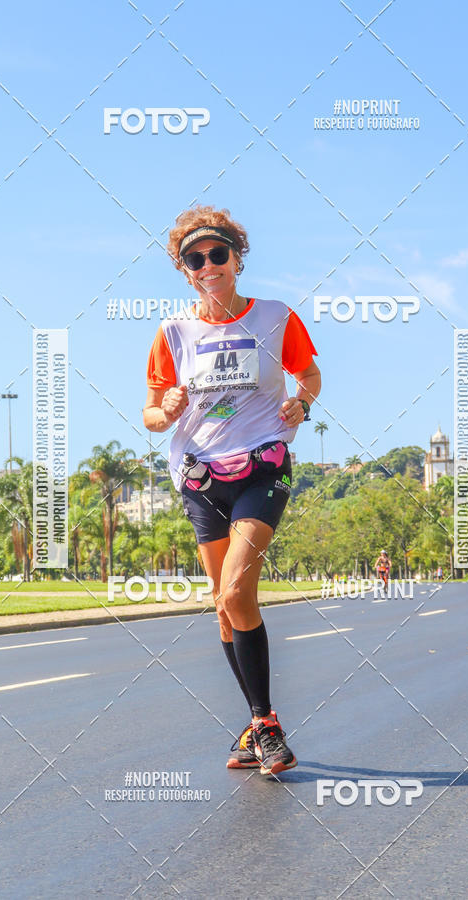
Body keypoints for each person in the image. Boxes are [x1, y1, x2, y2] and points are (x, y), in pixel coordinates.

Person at [143, 206, 321, 776]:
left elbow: (309, 373)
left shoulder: (274, 317)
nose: (208, 265)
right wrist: (163, 410)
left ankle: (266, 726)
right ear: (185, 271)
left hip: (264, 469)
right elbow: (150, 412)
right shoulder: (172, 333)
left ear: (237, 259)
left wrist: (304, 401)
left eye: (217, 253)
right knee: (224, 608)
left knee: (236, 593)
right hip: (200, 479)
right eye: (195, 259)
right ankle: (254, 725)